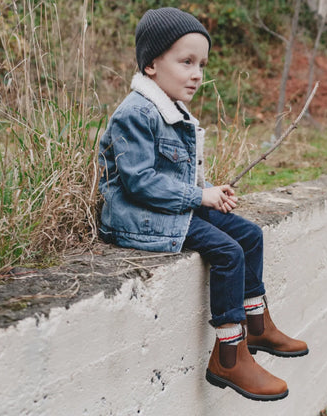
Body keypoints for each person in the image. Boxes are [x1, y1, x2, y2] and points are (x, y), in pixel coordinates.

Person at [98, 7, 308, 401]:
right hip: (138, 218)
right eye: (186, 62)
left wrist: (211, 190)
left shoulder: (174, 111)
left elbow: (180, 178)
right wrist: (198, 197)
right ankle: (229, 355)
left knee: (249, 233)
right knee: (228, 252)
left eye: (201, 64)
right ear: (151, 65)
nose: (197, 73)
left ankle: (257, 325)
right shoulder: (135, 113)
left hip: (166, 208)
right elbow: (140, 183)